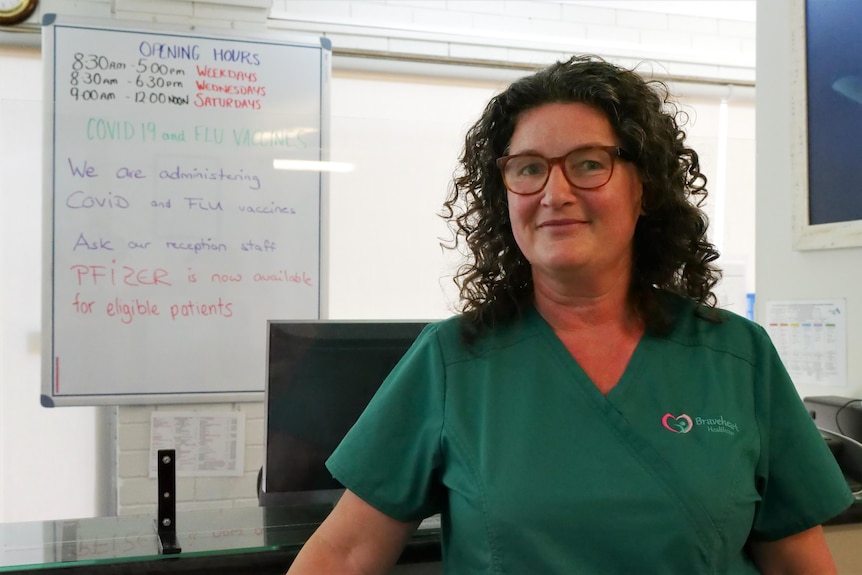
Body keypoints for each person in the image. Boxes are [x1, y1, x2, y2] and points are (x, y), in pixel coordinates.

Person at [286, 56, 854, 574]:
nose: (554, 191)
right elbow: (344, 554)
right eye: (529, 168)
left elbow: (796, 561)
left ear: (645, 188)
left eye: (589, 163)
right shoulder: (451, 361)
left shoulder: (737, 356)